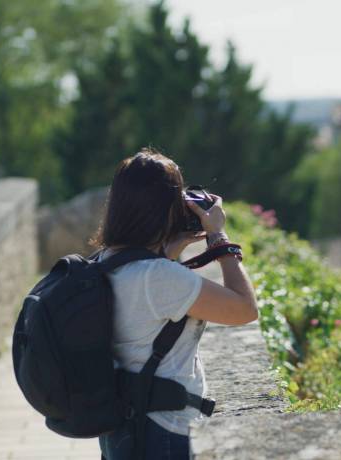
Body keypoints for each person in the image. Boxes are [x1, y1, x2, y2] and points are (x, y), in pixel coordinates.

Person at [95, 148, 258, 460]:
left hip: (122, 428)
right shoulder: (159, 278)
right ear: (165, 210)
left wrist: (172, 245)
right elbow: (244, 309)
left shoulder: (107, 260)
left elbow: (142, 297)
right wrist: (218, 236)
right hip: (163, 432)